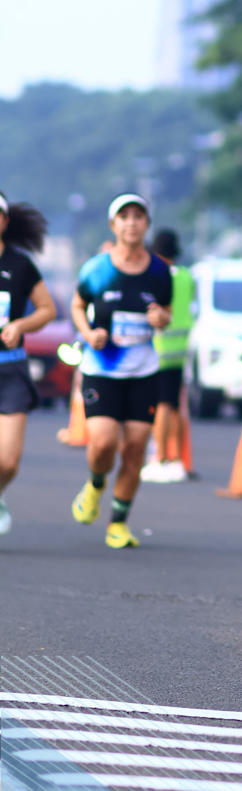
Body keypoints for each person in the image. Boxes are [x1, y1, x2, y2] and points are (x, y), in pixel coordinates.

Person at [70, 194, 173, 550]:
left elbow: (166, 311)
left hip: (144, 372)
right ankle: (95, 483)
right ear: (113, 225)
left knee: (134, 449)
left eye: (138, 216)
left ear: (147, 224)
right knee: (104, 444)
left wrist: (162, 318)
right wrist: (88, 333)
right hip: (101, 369)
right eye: (124, 216)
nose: (131, 222)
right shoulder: (97, 268)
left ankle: (117, 523)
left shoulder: (159, 270)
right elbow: (78, 304)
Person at [0, 193, 57, 535]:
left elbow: (47, 309)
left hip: (10, 370)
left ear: (5, 221)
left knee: (8, 461)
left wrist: (20, 325)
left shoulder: (20, 265)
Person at [142, 228, 195, 483]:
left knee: (161, 405)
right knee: (175, 405)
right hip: (180, 348)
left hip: (160, 347)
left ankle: (160, 457)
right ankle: (177, 460)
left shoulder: (157, 275)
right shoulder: (186, 276)